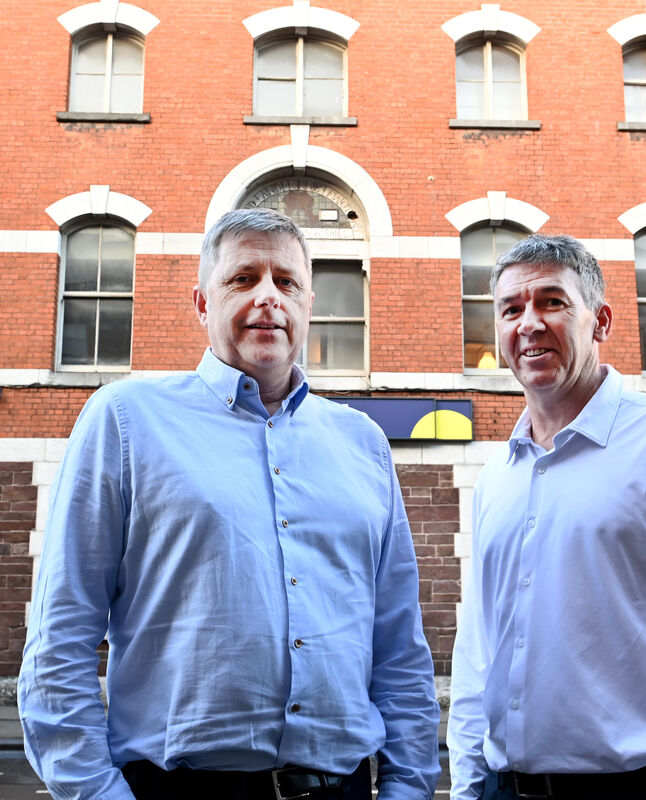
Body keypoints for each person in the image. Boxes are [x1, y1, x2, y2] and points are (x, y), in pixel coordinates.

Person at [18, 208, 440, 800]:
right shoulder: (125, 420)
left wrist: (408, 789)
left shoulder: (363, 442)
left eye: (286, 281)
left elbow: (399, 649)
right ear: (202, 304)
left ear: (309, 305)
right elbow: (60, 640)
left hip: (344, 787)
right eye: (243, 278)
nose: (268, 296)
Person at [447, 233, 646, 800]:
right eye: (511, 309)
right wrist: (466, 786)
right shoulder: (496, 477)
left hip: (643, 788)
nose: (528, 323)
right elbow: (478, 649)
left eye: (551, 302)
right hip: (502, 789)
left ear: (601, 321)